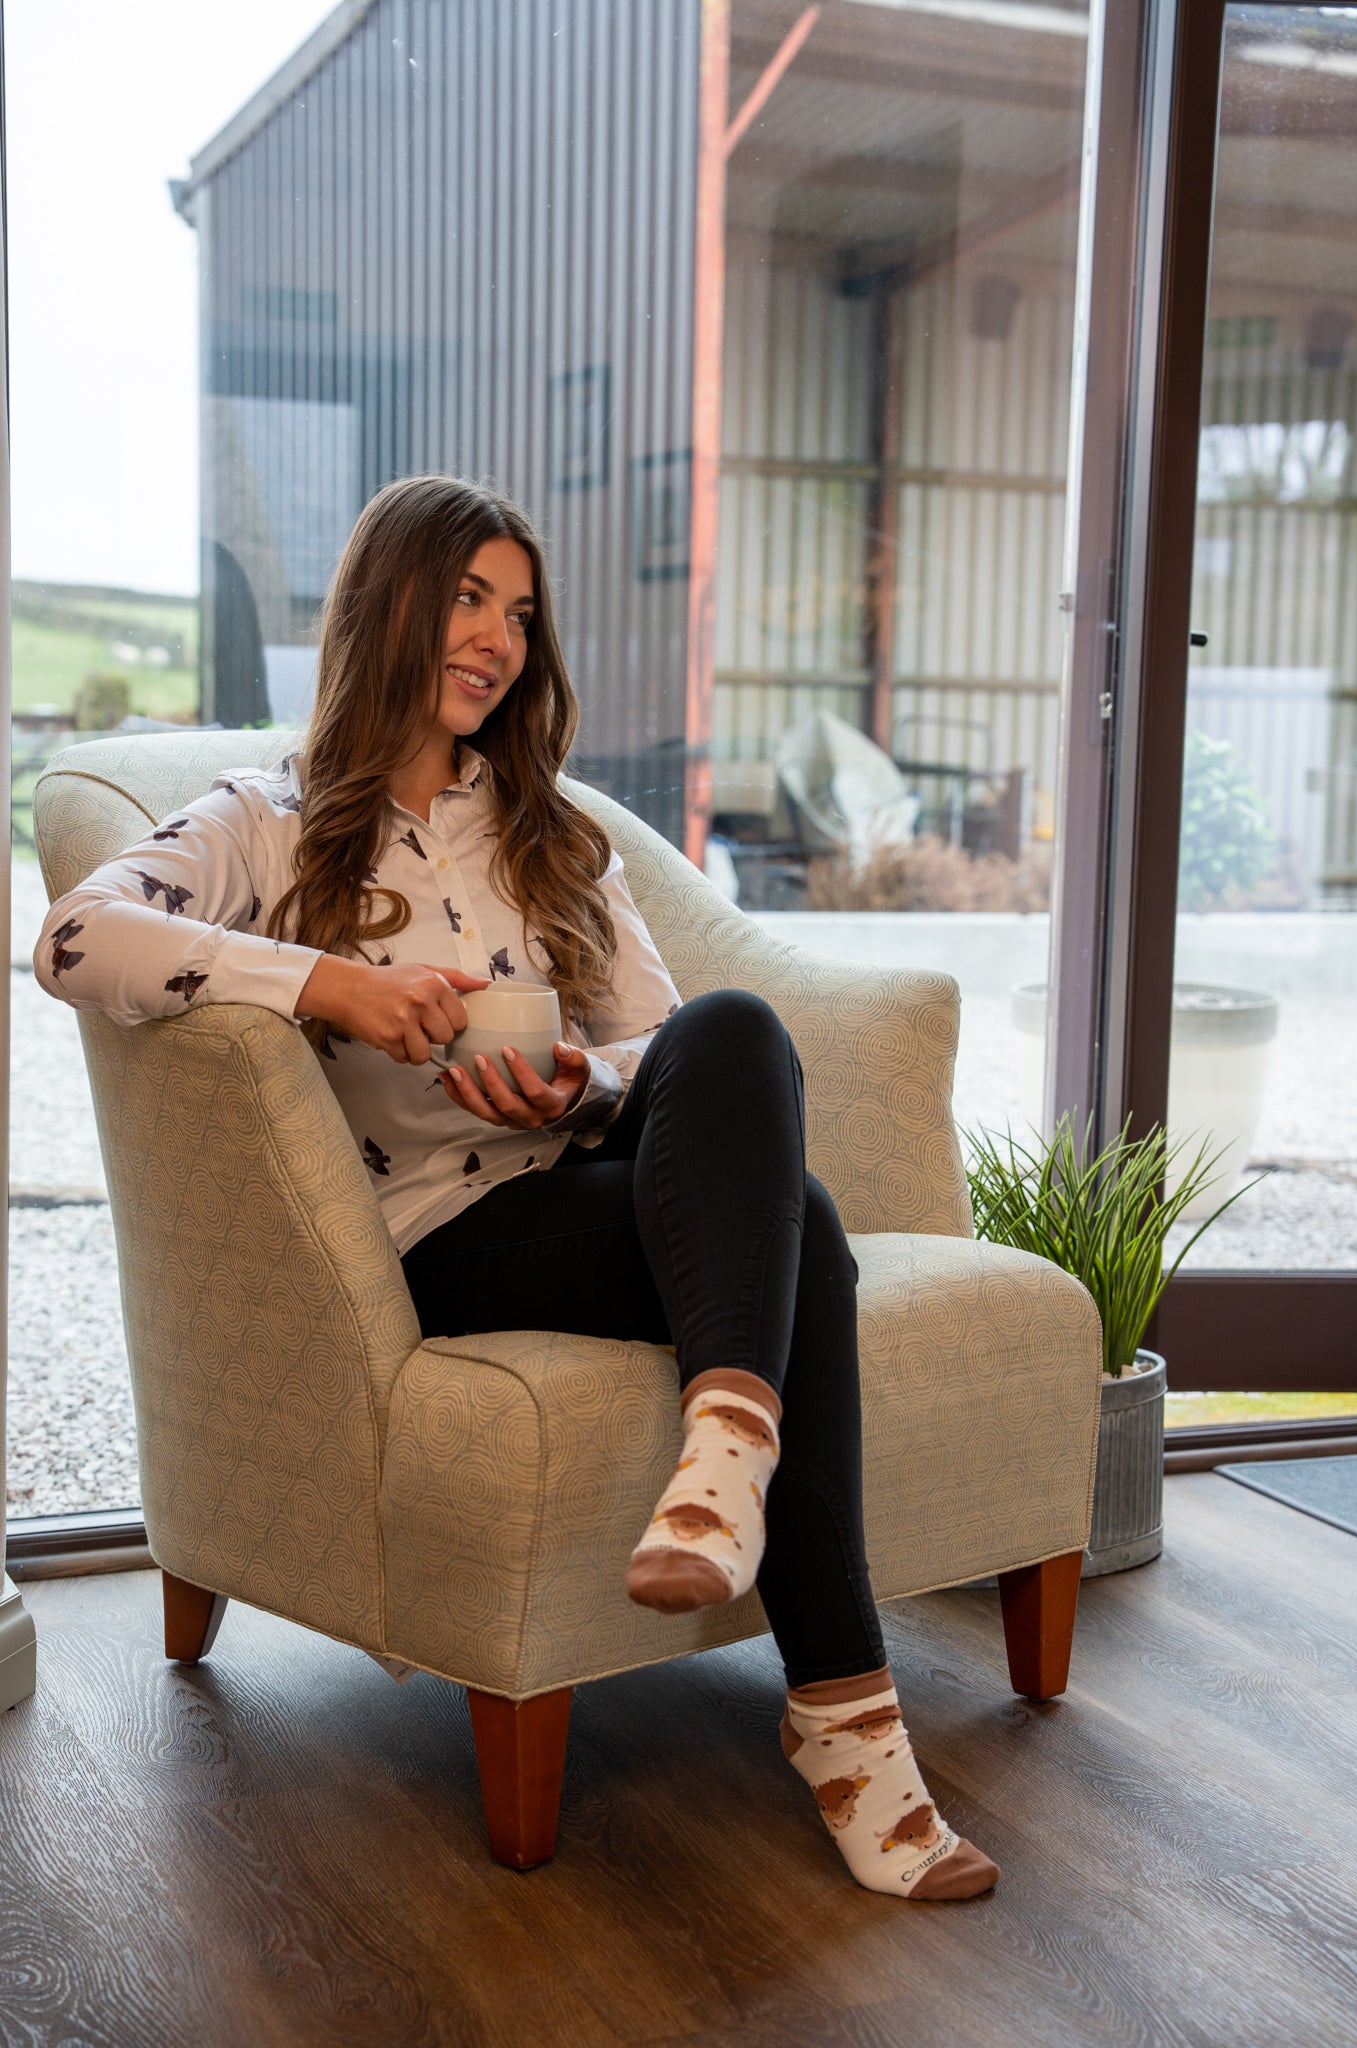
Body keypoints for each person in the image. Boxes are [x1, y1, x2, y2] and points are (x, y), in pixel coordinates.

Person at [35, 474, 998, 1903]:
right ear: (388, 609)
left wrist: (580, 1087)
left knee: (735, 1037)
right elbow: (71, 943)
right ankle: (848, 1726)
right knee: (805, 1235)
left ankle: (728, 1476)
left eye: (520, 613)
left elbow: (655, 1041)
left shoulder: (549, 833)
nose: (496, 638)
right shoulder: (264, 823)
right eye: (468, 601)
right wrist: (337, 989)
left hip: (576, 1181)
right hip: (436, 1238)